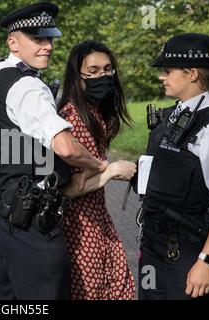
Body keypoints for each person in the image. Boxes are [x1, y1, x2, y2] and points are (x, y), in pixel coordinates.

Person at [0, 2, 108, 300]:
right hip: (25, 218)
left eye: (49, 38)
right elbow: (65, 146)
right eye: (37, 39)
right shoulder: (27, 86)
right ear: (13, 42)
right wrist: (97, 165)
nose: (47, 46)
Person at [138, 33, 209, 300]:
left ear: (192, 73)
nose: (161, 77)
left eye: (167, 70)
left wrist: (205, 262)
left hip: (186, 253)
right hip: (153, 245)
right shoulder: (177, 115)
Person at [57, 40, 136, 299]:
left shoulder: (95, 114)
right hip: (78, 230)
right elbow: (67, 190)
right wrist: (111, 171)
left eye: (107, 69)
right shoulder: (72, 119)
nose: (102, 77)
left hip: (98, 222)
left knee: (117, 287)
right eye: (92, 71)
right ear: (77, 76)